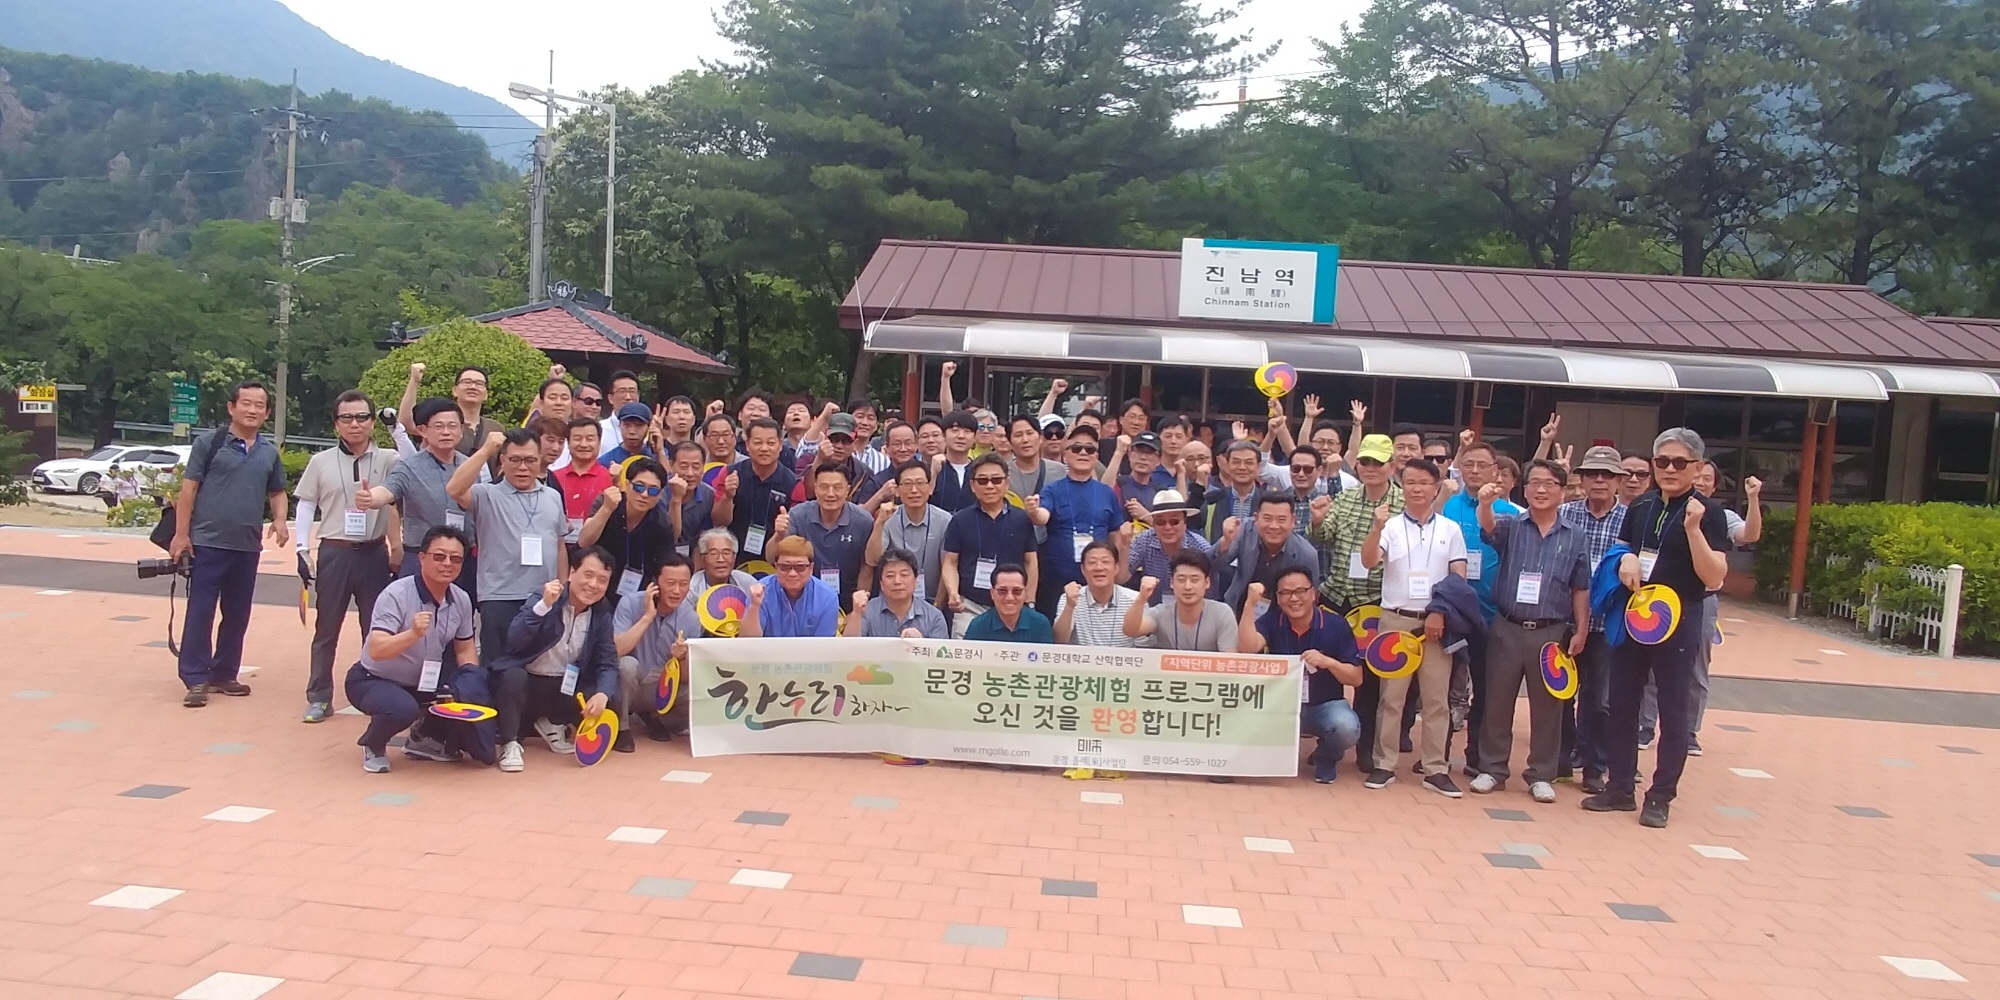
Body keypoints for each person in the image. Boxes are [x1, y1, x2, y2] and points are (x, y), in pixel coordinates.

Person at [1584, 428, 1731, 829]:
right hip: (1636, 614)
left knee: (1673, 710)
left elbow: (1714, 576)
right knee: (1621, 703)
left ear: (1697, 467)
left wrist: (1694, 530)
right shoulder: (1642, 505)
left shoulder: (1709, 512)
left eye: (1679, 463)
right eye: (1662, 461)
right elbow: (1622, 547)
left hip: (1680, 617)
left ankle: (1661, 795)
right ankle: (1619, 787)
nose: (1669, 469)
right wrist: (1626, 558)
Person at [1471, 462, 1592, 804]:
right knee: (1497, 701)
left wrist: (1581, 629)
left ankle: (1541, 774)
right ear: (1524, 490)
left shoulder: (1575, 535)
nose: (1541, 489)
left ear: (1562, 491)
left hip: (1551, 630)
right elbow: (1488, 528)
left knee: (1549, 706)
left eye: (1549, 483)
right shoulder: (1512, 525)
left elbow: (1580, 587)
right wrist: (1485, 504)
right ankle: (1492, 769)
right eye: (1534, 482)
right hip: (1507, 627)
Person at [170, 380, 291, 708]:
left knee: (237, 613)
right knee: (201, 611)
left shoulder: (268, 452)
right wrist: (181, 534)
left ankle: (225, 673)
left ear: (267, 412)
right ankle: (196, 677)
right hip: (207, 543)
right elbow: (189, 489)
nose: (252, 410)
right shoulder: (209, 443)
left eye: (259, 405)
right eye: (246, 403)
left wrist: (280, 520)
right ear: (231, 407)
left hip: (247, 546)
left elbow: (277, 491)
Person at [1360, 458, 1467, 797]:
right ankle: (1384, 763)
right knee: (1391, 697)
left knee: (1436, 700)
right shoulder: (1390, 526)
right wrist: (1376, 528)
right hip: (1396, 620)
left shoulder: (1450, 529)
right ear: (1401, 486)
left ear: (1436, 488)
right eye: (1410, 482)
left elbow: (1458, 578)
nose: (1416, 489)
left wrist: (1440, 612)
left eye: (1424, 483)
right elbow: (1368, 561)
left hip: (1436, 622)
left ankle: (1436, 768)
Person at [293, 390, 400, 723]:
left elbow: (414, 463)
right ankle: (319, 696)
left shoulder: (388, 459)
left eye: (362, 417)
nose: (355, 424)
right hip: (335, 552)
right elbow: (307, 503)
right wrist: (301, 548)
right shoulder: (321, 461)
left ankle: (376, 693)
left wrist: (396, 428)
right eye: (347, 418)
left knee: (377, 627)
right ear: (336, 423)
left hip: (373, 552)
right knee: (327, 628)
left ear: (372, 422)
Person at [1304, 432, 1402, 771]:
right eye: (1365, 461)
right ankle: (1329, 742)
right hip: (1337, 596)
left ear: (1391, 466)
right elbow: (1322, 537)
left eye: (1378, 462)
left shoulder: (1402, 504)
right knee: (1328, 671)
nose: (1370, 468)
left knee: (1371, 679)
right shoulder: (1344, 498)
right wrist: (1317, 520)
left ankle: (1365, 747)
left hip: (1375, 600)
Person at [345, 525, 478, 772]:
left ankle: (422, 739)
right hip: (373, 679)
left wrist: (473, 685)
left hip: (424, 683)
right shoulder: (396, 594)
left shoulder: (461, 598)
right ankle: (373, 744)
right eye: (439, 556)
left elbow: (465, 648)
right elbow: (376, 649)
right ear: (422, 557)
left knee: (466, 696)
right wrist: (412, 634)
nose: (447, 564)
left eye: (455, 559)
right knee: (401, 708)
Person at [489, 547, 620, 773]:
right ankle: (510, 743)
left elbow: (608, 661)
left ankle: (553, 723)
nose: (593, 585)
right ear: (571, 573)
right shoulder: (545, 597)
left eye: (602, 580)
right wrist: (544, 607)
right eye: (588, 575)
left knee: (602, 691)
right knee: (512, 677)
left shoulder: (601, 614)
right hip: (529, 682)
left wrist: (603, 694)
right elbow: (514, 639)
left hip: (563, 686)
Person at [447, 428, 571, 656]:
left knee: (539, 664)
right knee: (497, 663)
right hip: (500, 596)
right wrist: (486, 450)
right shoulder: (487, 494)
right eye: (515, 460)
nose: (523, 467)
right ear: (503, 460)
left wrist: (563, 588)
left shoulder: (553, 496)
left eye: (530, 460)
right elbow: (454, 489)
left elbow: (559, 545)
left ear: (540, 460)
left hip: (543, 595)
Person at [1438, 440, 1522, 774]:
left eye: (1482, 465)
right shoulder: (1446, 507)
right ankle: (1438, 755)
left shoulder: (1513, 514)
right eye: (1468, 464)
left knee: (1487, 690)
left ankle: (1477, 757)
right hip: (1451, 612)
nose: (1474, 471)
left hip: (1491, 613)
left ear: (1495, 471)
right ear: (1460, 468)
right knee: (1443, 688)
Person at [1237, 570, 1364, 784]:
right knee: (1245, 721)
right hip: (1279, 706)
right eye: (1286, 593)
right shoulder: (1273, 620)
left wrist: (1329, 662)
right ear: (1278, 598)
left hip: (1323, 706)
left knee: (1346, 728)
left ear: (1313, 594)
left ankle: (1326, 758)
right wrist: (1250, 604)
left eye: (1300, 591)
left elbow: (1356, 678)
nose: (1294, 598)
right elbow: (1247, 647)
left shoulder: (1336, 625)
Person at [362, 398, 474, 586]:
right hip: (422, 557)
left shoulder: (472, 465)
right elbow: (388, 490)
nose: (446, 432)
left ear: (461, 430)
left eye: (452, 426)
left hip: (463, 557)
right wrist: (371, 498)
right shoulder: (410, 467)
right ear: (422, 430)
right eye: (438, 426)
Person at [940, 454, 1039, 637]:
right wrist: (953, 593)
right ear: (972, 485)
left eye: (996, 480)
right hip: (970, 605)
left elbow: (1030, 561)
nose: (990, 486)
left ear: (1007, 483)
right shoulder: (960, 520)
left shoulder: (1022, 519)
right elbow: (950, 562)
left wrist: (1029, 601)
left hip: (1012, 605)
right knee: (966, 652)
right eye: (983, 481)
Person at [612, 553, 700, 746]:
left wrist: (681, 658)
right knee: (626, 665)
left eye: (684, 584)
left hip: (661, 689)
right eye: (670, 583)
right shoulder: (630, 603)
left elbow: (687, 678)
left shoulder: (691, 618)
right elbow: (616, 650)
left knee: (698, 690)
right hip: (630, 686)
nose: (677, 591)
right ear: (655, 583)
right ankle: (621, 727)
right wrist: (647, 617)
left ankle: (655, 717)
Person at [1038, 425, 1122, 610]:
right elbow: (1042, 516)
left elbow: (1116, 537)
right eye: (1076, 448)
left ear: (1096, 456)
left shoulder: (1107, 493)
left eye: (1089, 449)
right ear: (1065, 455)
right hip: (1056, 583)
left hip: (1097, 581)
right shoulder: (1052, 489)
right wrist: (1034, 512)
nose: (1083, 453)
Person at [578, 456, 677, 608]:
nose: (644, 494)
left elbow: (665, 566)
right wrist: (607, 509)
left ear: (660, 495)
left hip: (637, 595)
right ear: (627, 485)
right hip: (596, 584)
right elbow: (584, 541)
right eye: (639, 487)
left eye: (652, 490)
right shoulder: (607, 501)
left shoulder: (662, 523)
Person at [780, 463, 874, 609]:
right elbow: (773, 557)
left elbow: (866, 568)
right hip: (805, 595)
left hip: (848, 597)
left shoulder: (863, 521)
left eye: (837, 487)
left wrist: (859, 607)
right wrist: (779, 535)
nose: (830, 494)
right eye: (824, 487)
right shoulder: (798, 515)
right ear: (815, 488)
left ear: (847, 490)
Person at [1216, 492, 1319, 613]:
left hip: (1284, 613)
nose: (1274, 526)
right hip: (1239, 607)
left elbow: (1310, 598)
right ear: (1256, 518)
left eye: (1281, 520)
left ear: (1293, 521)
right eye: (1267, 519)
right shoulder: (1244, 531)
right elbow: (1211, 566)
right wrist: (1225, 541)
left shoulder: (1306, 554)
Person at [1123, 552, 1238, 652]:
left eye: (1194, 580)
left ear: (1207, 583)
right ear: (1172, 583)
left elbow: (1229, 658)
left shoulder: (1222, 613)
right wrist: (1141, 598)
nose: (1188, 587)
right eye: (1181, 580)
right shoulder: (1160, 613)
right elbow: (1131, 630)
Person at [1121, 490, 1217, 605]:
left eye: (1174, 521)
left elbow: (1211, 594)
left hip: (1193, 610)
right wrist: (1124, 546)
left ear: (1185, 523)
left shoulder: (1200, 547)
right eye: (1160, 522)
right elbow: (1122, 578)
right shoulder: (1144, 540)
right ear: (1154, 524)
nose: (1167, 527)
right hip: (1154, 610)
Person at [724, 417, 798, 564]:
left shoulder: (793, 482)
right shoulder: (730, 473)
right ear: (747, 445)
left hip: (775, 556)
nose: (764, 448)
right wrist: (727, 497)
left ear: (780, 445)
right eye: (758, 442)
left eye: (771, 443)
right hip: (734, 554)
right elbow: (719, 521)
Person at [740, 536, 841, 637]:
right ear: (776, 567)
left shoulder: (827, 597)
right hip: (767, 648)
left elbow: (824, 644)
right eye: (785, 567)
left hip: (813, 648)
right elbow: (748, 641)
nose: (792, 573)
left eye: (800, 567)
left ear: (811, 568)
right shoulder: (761, 591)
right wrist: (754, 606)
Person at [1054, 541, 1149, 647]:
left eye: (1105, 562)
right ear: (1083, 569)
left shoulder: (1136, 600)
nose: (1099, 568)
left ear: (1116, 568)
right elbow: (1059, 640)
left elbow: (1144, 647)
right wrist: (1069, 606)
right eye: (1092, 562)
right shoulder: (1069, 598)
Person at [845, 547, 951, 638]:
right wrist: (857, 613)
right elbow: (849, 649)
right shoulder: (867, 611)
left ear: (915, 581)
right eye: (890, 576)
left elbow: (941, 654)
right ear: (881, 583)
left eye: (904, 575)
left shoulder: (934, 616)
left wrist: (921, 643)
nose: (897, 581)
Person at [553, 417, 613, 541]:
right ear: (568, 443)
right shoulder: (553, 477)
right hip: (558, 544)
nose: (584, 444)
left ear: (599, 442)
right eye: (577, 439)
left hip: (598, 545)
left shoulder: (611, 479)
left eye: (590, 439)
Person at [963, 564, 1054, 642]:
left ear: (1025, 593)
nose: (1009, 597)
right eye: (1002, 591)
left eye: (1017, 591)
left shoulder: (1040, 624)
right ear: (992, 593)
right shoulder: (978, 626)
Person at [663, 441, 719, 558]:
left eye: (696, 467)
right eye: (683, 466)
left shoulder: (709, 495)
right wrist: (676, 499)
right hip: (660, 551)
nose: (690, 473)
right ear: (671, 465)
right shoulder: (658, 493)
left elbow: (704, 537)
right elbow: (670, 536)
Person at [448, 366, 506, 475]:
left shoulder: (496, 428)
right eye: (467, 382)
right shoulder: (445, 426)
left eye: (479, 384)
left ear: (486, 394)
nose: (473, 387)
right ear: (454, 391)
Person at [1005, 414, 1064, 503]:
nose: (1025, 440)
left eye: (1030, 433)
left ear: (1040, 438)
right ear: (1010, 443)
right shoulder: (1003, 473)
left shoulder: (1058, 470)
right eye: (1018, 435)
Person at [930, 410, 981, 512]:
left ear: (974, 437)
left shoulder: (979, 470)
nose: (961, 436)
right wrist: (933, 473)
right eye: (955, 430)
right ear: (943, 435)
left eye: (967, 431)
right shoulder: (933, 467)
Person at [858, 421, 920, 504]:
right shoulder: (877, 482)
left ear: (916, 445)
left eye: (908, 443)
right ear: (887, 447)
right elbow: (860, 511)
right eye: (897, 444)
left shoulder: (928, 475)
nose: (903, 449)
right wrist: (881, 495)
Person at [693, 528, 762, 594]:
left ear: (734, 557)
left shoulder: (747, 582)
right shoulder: (692, 589)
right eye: (713, 554)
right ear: (702, 559)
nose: (721, 559)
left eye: (726, 553)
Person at [600, 402, 659, 472]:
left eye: (639, 425)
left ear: (649, 427)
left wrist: (660, 452)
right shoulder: (605, 461)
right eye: (627, 425)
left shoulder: (657, 454)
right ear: (619, 425)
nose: (632, 431)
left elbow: (668, 476)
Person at [599, 370, 643, 444]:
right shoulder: (600, 429)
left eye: (632, 391)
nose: (628, 397)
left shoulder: (647, 430)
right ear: (610, 398)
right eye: (622, 391)